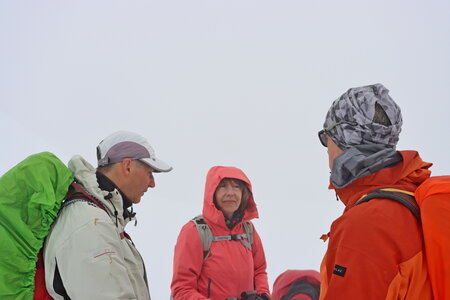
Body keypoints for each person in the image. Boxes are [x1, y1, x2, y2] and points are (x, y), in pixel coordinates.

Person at [317, 84, 434, 299]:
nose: (327, 150)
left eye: (327, 138)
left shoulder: (368, 224)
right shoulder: (414, 197)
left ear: (344, 139)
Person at [43, 131, 172, 299]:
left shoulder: (102, 218)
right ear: (127, 166)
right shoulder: (90, 223)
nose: (152, 183)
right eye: (150, 173)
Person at [171, 166, 270, 300]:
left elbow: (259, 270)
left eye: (236, 187)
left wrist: (263, 295)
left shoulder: (248, 230)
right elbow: (182, 289)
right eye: (223, 186)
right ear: (212, 192)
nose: (230, 193)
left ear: (243, 193)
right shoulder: (195, 231)